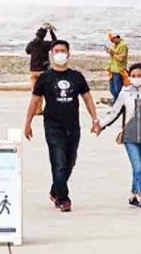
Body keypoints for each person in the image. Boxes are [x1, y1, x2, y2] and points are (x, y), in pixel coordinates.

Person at [24, 40, 100, 213]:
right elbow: (34, 101)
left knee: (70, 162)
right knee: (58, 162)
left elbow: (87, 98)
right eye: (56, 50)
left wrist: (95, 119)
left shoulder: (76, 77)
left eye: (63, 50)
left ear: (68, 54)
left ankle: (54, 190)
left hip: (73, 125)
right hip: (53, 126)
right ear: (51, 54)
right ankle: (63, 198)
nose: (59, 53)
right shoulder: (45, 78)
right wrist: (27, 123)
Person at [99, 63, 141, 210]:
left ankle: (132, 195)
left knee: (139, 169)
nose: (137, 78)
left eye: (139, 76)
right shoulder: (124, 94)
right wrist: (100, 125)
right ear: (129, 77)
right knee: (136, 166)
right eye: (134, 76)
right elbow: (114, 113)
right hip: (129, 137)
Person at [25, 23, 57, 114]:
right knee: (44, 92)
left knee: (35, 92)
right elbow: (55, 43)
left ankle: (36, 110)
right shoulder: (45, 44)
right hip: (43, 70)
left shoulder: (31, 44)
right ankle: (42, 109)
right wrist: (51, 32)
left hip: (33, 70)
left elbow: (27, 51)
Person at [106, 33, 129, 102]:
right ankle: (116, 104)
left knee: (118, 90)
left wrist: (112, 53)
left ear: (116, 37)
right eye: (110, 40)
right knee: (112, 89)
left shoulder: (123, 45)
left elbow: (121, 59)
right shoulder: (114, 46)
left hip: (119, 70)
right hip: (112, 70)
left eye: (112, 39)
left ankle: (118, 105)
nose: (112, 41)